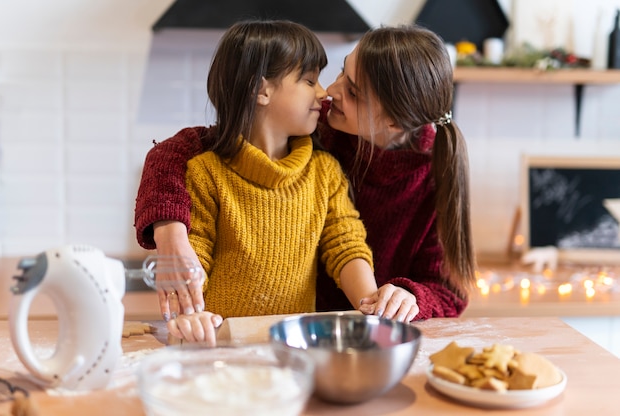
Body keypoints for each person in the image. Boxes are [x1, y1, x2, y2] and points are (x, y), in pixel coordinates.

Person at [134, 24, 476, 328]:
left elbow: (442, 288)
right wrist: (172, 240)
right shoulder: (315, 122)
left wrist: (406, 297)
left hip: (354, 335)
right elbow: (177, 153)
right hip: (281, 334)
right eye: (342, 72)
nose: (329, 91)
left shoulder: (431, 174)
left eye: (353, 91)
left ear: (395, 123)